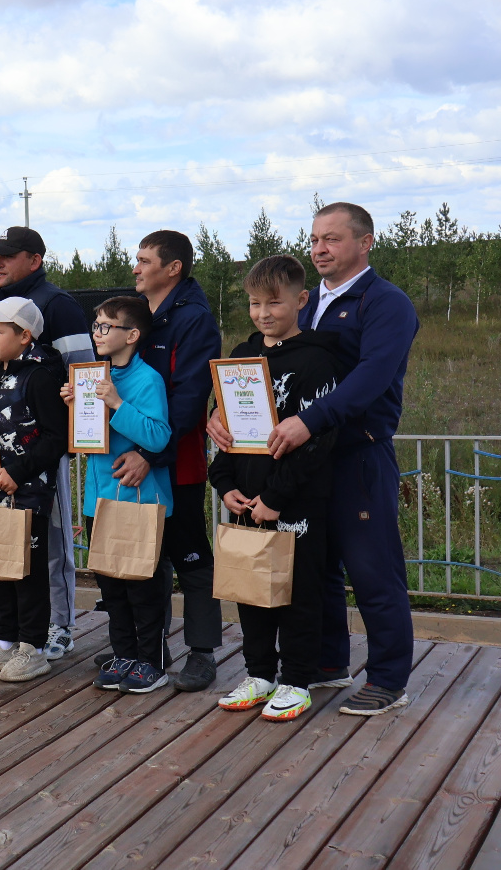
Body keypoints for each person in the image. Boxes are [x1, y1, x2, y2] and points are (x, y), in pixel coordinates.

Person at [210, 202, 419, 716]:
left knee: (372, 570)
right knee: (314, 570)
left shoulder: (385, 303)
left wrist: (311, 420)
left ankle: (389, 679)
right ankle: (326, 663)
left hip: (356, 456)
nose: (320, 249)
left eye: (332, 238)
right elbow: (269, 369)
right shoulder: (305, 305)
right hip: (300, 464)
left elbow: (371, 377)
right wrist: (221, 412)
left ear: (365, 243)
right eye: (314, 239)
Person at [210, 255, 340, 722]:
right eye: (254, 303)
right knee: (250, 589)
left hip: (295, 503)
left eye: (274, 303)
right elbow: (228, 432)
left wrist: (276, 497)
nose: (263, 313)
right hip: (246, 500)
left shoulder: (318, 360)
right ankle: (260, 674)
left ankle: (297, 681)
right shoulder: (240, 357)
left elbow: (318, 441)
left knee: (298, 593)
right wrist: (224, 483)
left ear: (301, 300)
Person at [0, 226, 91, 659]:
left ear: (35, 260)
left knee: (49, 542)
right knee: (3, 543)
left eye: (8, 255)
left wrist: (72, 439)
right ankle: (7, 631)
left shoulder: (58, 305)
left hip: (42, 452)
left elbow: (82, 373)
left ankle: (57, 626)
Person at [123, 229, 224, 693]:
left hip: (174, 461)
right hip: (131, 459)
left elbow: (188, 397)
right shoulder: (141, 314)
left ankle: (203, 652)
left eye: (145, 260)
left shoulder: (193, 320)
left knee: (190, 553)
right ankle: (151, 648)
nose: (136, 268)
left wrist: (150, 453)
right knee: (146, 555)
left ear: (173, 268)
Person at [62, 297, 175, 693]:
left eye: (106, 326)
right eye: (95, 325)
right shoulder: (94, 375)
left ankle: (152, 662)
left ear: (132, 335)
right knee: (112, 589)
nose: (97, 332)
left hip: (138, 502)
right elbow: (86, 439)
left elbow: (158, 437)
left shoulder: (147, 380)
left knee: (142, 589)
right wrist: (75, 406)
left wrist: (115, 404)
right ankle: (124, 655)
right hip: (100, 500)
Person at [0, 297, 68, 683]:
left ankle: (33, 648)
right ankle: (2, 640)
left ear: (25, 336)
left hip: (27, 493)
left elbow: (56, 437)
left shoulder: (40, 376)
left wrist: (17, 472)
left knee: (26, 571)